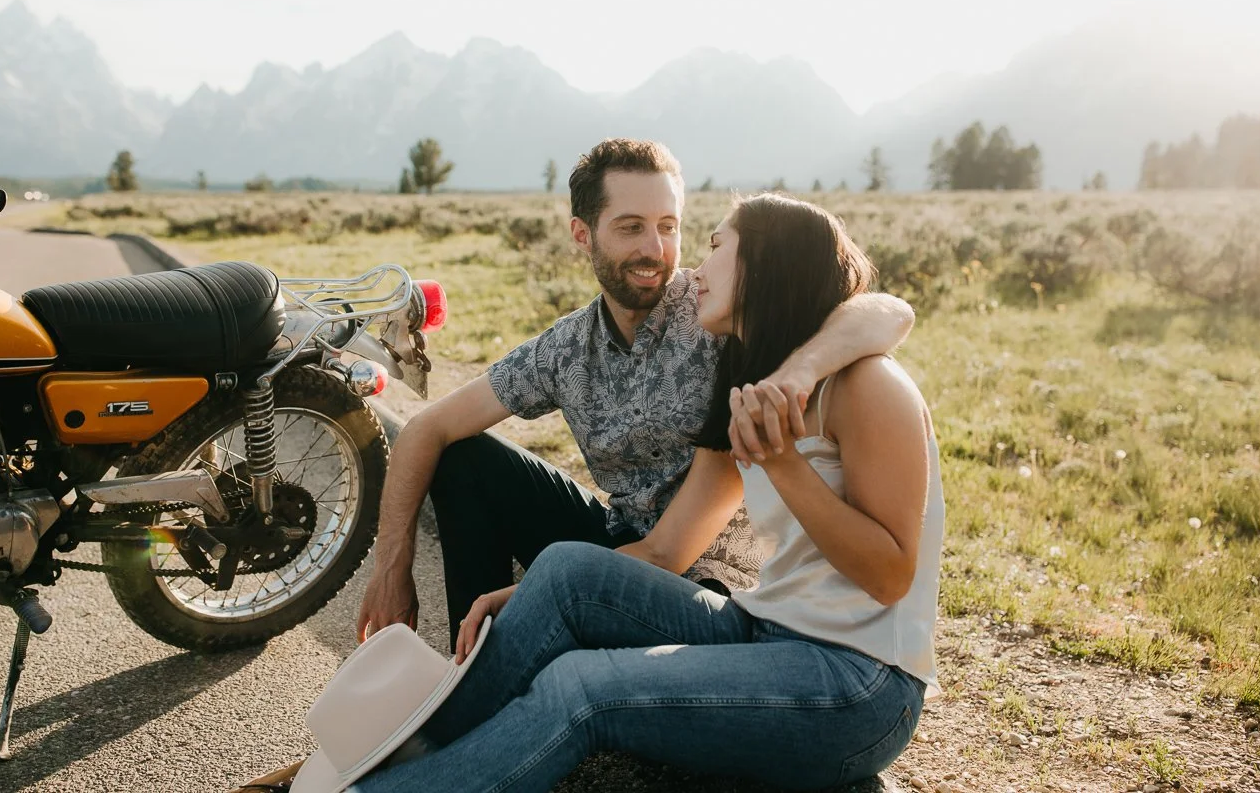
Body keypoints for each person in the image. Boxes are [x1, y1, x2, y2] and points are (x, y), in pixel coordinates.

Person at [348, 192, 944, 792]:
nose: (697, 268)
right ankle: (412, 747)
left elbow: (891, 575)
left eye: (713, 246)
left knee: (581, 688)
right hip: (766, 630)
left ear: (763, 265)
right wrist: (521, 597)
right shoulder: (749, 376)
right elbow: (666, 550)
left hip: (860, 686)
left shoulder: (868, 387)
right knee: (563, 571)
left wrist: (783, 461)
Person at [355, 140, 916, 648]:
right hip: (623, 544)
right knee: (464, 458)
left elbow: (883, 309)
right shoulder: (568, 346)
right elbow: (427, 428)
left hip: (711, 589)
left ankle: (501, 666)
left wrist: (799, 371)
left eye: (668, 226)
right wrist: (391, 566)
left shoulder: (720, 312)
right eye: (630, 227)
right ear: (583, 234)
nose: (656, 249)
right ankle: (471, 664)